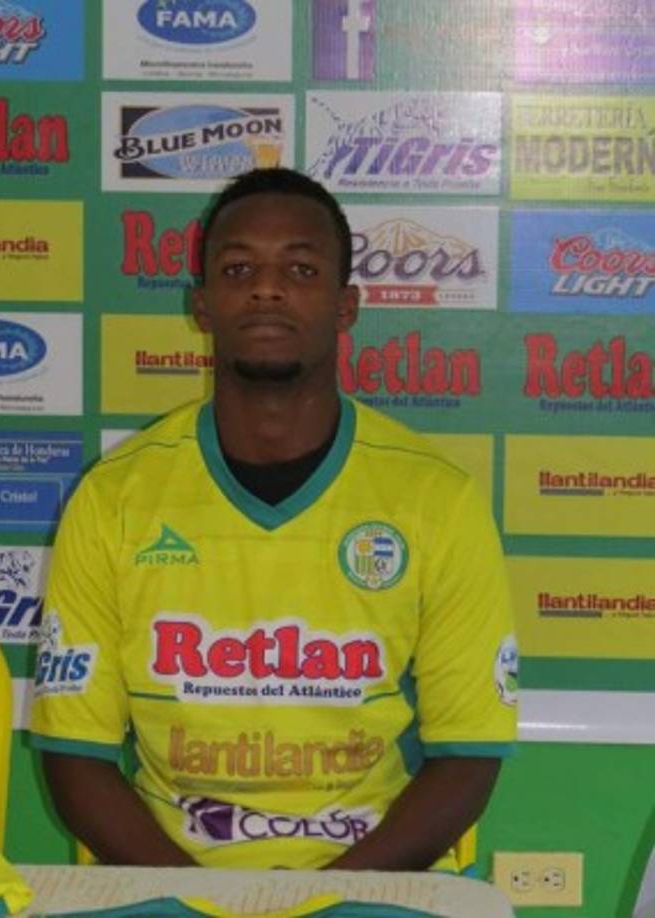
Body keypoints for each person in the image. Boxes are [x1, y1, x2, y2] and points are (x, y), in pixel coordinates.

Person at [30, 167, 517, 871]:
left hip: (375, 885)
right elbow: (75, 756)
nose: (267, 287)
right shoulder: (115, 497)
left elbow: (466, 756)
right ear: (201, 303)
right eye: (237, 268)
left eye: (300, 267)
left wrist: (323, 904)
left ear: (345, 305)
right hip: (175, 881)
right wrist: (209, 906)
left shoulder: (435, 499)